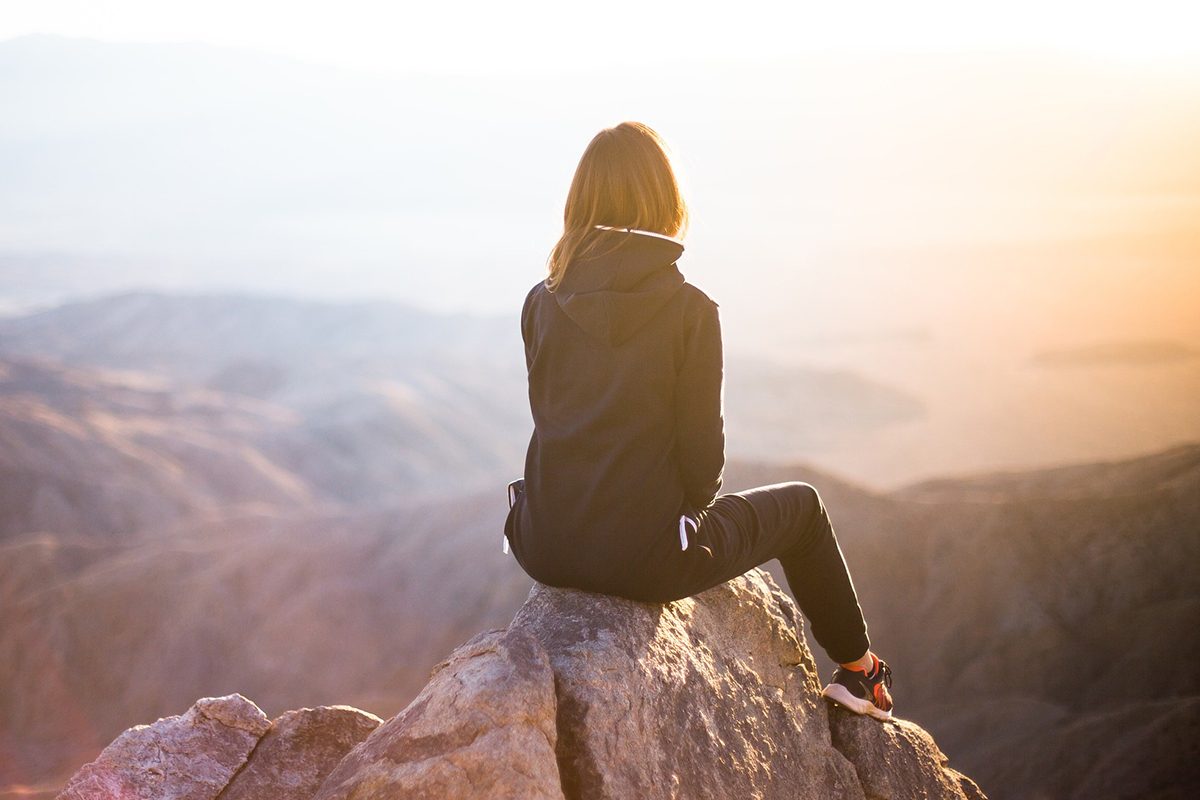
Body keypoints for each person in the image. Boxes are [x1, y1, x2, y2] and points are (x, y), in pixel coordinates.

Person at [503, 121, 894, 721]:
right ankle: (861, 673)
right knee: (804, 508)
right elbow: (703, 466)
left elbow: (555, 421)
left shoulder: (540, 299)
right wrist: (676, 521)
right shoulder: (690, 312)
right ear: (665, 200)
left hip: (542, 544)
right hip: (646, 561)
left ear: (579, 201)